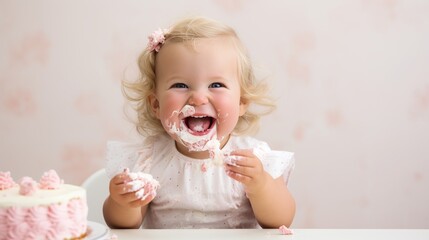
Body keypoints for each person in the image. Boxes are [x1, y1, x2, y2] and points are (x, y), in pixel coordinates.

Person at [103, 16, 296, 229]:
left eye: (216, 84)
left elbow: (281, 220)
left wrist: (261, 185)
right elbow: (123, 226)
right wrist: (123, 202)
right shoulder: (148, 159)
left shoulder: (254, 157)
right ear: (156, 105)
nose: (198, 98)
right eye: (180, 85)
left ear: (241, 102)